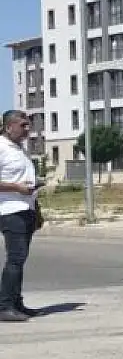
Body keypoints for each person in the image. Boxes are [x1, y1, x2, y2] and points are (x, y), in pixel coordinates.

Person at [0, 110, 43, 322]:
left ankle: (17, 303)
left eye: (28, 125)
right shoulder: (1, 148)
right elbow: (14, 183)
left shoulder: (20, 149)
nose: (27, 129)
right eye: (23, 125)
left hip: (27, 209)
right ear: (9, 127)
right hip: (9, 211)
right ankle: (4, 306)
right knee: (15, 258)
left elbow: (27, 181)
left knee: (20, 258)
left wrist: (37, 209)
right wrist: (15, 187)